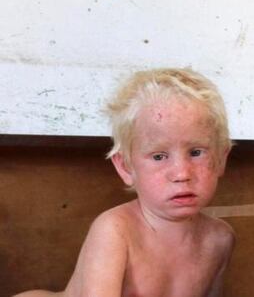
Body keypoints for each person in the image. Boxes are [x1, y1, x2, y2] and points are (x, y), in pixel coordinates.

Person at [14, 68, 235, 297]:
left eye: (196, 152)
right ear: (126, 167)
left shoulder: (220, 239)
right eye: (159, 156)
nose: (181, 173)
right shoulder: (115, 230)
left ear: (221, 159)